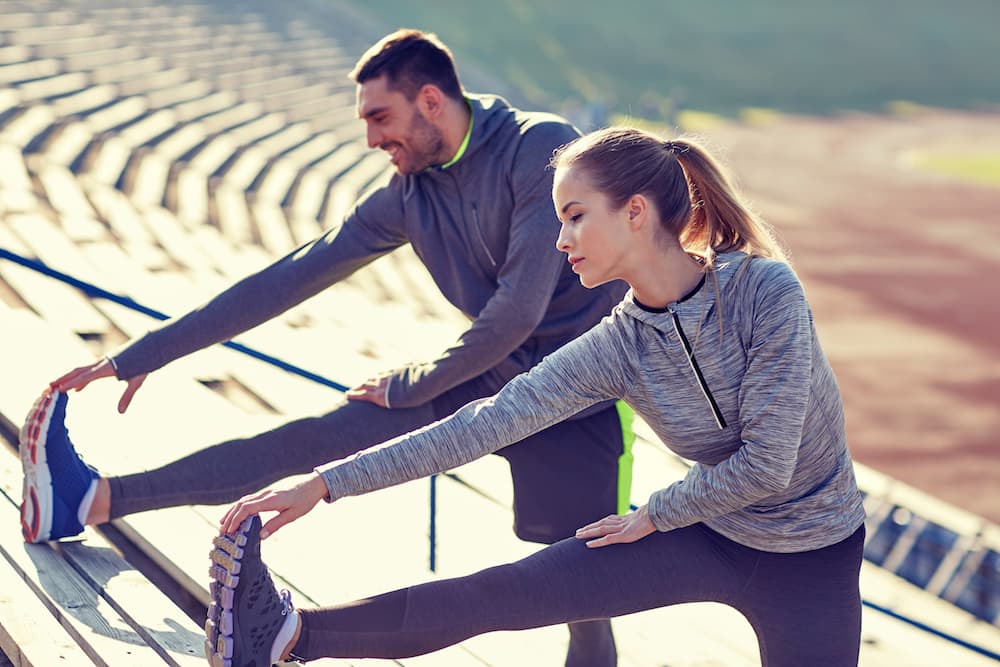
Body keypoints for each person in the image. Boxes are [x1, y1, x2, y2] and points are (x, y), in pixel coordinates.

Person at [22, 29, 631, 666]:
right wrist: (141, 354)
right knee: (307, 441)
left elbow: (517, 312)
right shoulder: (411, 193)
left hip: (576, 394)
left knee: (581, 598)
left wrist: (412, 384)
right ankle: (88, 499)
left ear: (430, 100)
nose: (370, 139)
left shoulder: (540, 149)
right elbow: (290, 275)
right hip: (483, 373)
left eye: (379, 117)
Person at [203, 126, 868, 667]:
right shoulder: (619, 346)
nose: (561, 239)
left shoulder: (764, 292)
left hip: (812, 558)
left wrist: (657, 513)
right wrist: (322, 484)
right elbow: (482, 425)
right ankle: (287, 635)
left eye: (576, 216)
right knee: (508, 591)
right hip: (708, 530)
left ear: (635, 211)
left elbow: (770, 462)